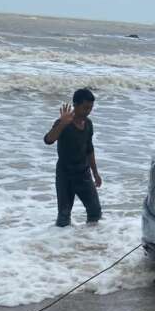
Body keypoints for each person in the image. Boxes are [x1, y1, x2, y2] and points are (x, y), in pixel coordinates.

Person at [44, 88, 102, 227]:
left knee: (95, 212)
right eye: (85, 108)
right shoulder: (63, 123)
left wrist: (95, 173)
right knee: (64, 217)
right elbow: (48, 140)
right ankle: (61, 243)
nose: (88, 111)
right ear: (75, 105)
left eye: (90, 108)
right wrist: (62, 123)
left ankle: (88, 241)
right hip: (65, 175)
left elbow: (89, 149)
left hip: (83, 174)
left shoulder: (88, 124)